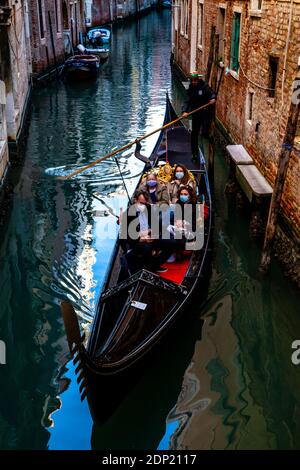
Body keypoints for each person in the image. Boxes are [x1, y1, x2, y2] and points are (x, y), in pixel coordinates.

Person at [119, 189, 173, 274]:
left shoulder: (148, 208)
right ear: (135, 200)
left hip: (150, 236)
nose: (143, 206)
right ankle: (147, 268)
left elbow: (155, 224)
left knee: (171, 243)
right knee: (146, 247)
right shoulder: (128, 214)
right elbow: (125, 236)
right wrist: (141, 239)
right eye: (141, 203)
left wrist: (152, 233)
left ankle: (155, 265)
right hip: (137, 241)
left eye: (145, 203)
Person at [182, 72, 216, 161]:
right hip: (195, 114)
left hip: (205, 113)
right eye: (192, 81)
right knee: (194, 134)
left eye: (195, 80)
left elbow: (212, 93)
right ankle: (194, 154)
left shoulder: (204, 86)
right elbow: (187, 101)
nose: (194, 82)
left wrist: (212, 98)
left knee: (205, 133)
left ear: (198, 79)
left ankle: (205, 153)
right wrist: (184, 111)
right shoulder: (190, 89)